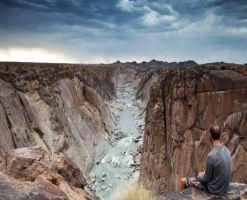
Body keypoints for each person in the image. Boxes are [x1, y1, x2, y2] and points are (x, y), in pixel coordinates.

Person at [179, 125, 232, 195]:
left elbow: (205, 179)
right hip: (225, 189)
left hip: (214, 190)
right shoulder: (227, 150)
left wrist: (200, 175)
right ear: (220, 135)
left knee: (183, 181)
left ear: (210, 135)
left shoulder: (211, 155)